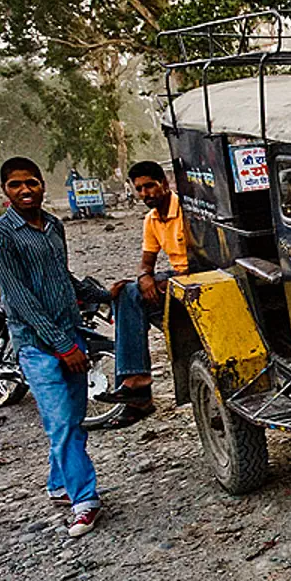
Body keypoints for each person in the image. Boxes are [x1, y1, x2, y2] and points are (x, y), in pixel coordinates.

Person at [0, 157, 108, 537]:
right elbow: (18, 298)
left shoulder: (54, 226)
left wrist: (103, 294)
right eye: (16, 184)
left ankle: (59, 484)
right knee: (62, 425)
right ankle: (85, 501)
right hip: (38, 346)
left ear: (42, 185)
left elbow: (61, 279)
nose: (25, 190)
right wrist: (61, 346)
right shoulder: (0, 235)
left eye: (32, 183)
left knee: (71, 419)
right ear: (5, 190)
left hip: (69, 333)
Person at [93, 161, 189, 428]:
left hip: (196, 276)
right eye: (140, 189)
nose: (146, 193)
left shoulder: (186, 209)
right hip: (173, 280)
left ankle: (138, 390)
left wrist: (153, 282)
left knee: (131, 296)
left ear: (164, 183)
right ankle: (135, 388)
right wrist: (145, 277)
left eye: (150, 186)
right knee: (125, 292)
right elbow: (146, 262)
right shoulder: (151, 219)